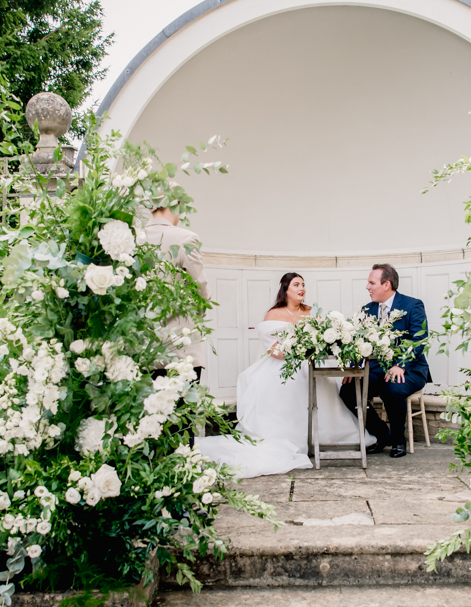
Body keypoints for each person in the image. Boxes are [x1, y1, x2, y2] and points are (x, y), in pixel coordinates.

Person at [196, 272, 376, 478]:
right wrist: (295, 354)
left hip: (310, 364)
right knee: (284, 386)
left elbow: (323, 342)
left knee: (318, 385)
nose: (302, 288)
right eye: (296, 284)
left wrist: (310, 352)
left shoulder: (311, 312)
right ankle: (290, 439)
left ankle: (321, 438)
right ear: (285, 289)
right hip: (282, 365)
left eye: (303, 284)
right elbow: (272, 349)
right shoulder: (274, 314)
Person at [339, 263, 428, 458]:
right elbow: (359, 343)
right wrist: (352, 368)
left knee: (393, 388)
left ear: (386, 285)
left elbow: (419, 339)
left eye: (372, 283)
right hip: (378, 370)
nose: (367, 287)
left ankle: (398, 440)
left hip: (411, 370)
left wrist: (401, 365)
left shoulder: (413, 305)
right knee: (348, 390)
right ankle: (382, 434)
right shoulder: (367, 309)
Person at [143, 205, 210, 382]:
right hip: (179, 348)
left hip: (141, 351)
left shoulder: (133, 238)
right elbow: (201, 289)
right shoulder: (185, 238)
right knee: (182, 407)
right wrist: (196, 317)